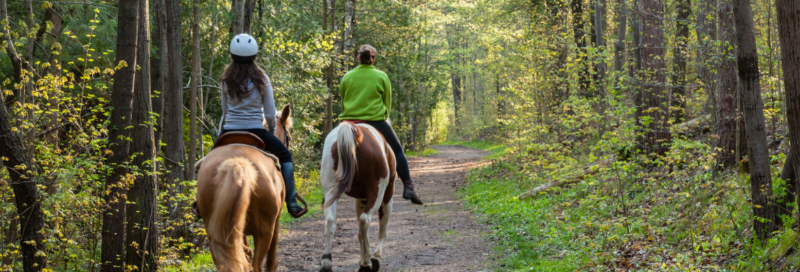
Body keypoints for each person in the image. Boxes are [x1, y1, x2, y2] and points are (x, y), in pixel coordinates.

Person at [216, 33, 305, 217]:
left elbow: (225, 112)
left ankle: (201, 202)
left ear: (232, 56)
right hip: (256, 130)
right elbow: (271, 114)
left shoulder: (225, 80)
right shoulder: (262, 79)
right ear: (254, 56)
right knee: (286, 157)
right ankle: (292, 202)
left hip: (230, 130)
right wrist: (271, 131)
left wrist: (221, 134)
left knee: (208, 162)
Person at [338, 44, 423, 205]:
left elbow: (344, 101)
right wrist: (382, 116)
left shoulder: (347, 76)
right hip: (375, 121)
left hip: (349, 121)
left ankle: (327, 189)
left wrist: (349, 116)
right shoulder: (381, 76)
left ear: (359, 58)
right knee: (398, 150)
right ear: (373, 59)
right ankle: (408, 186)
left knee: (331, 149)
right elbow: (387, 103)